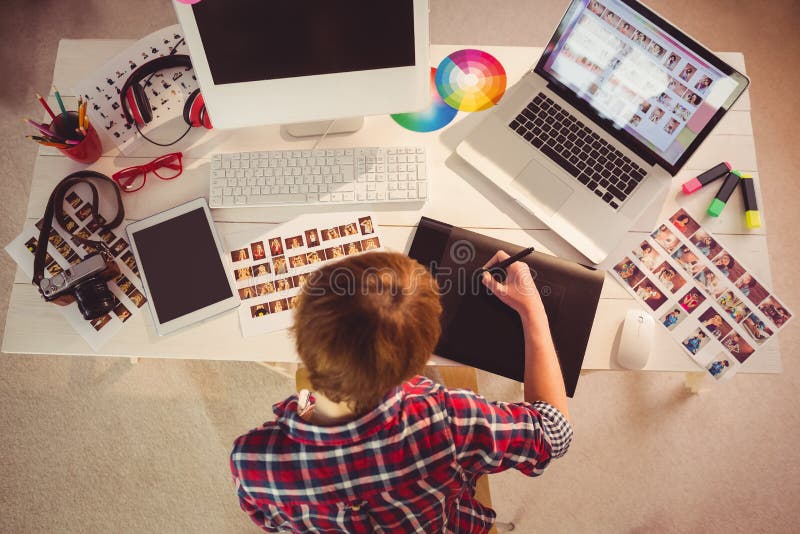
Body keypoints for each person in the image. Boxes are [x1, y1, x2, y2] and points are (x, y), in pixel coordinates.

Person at [230, 252, 572, 533]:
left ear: (299, 337)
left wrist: (302, 405)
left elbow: (271, 522)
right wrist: (531, 311)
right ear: (416, 365)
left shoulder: (251, 461)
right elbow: (555, 432)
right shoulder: (449, 419)